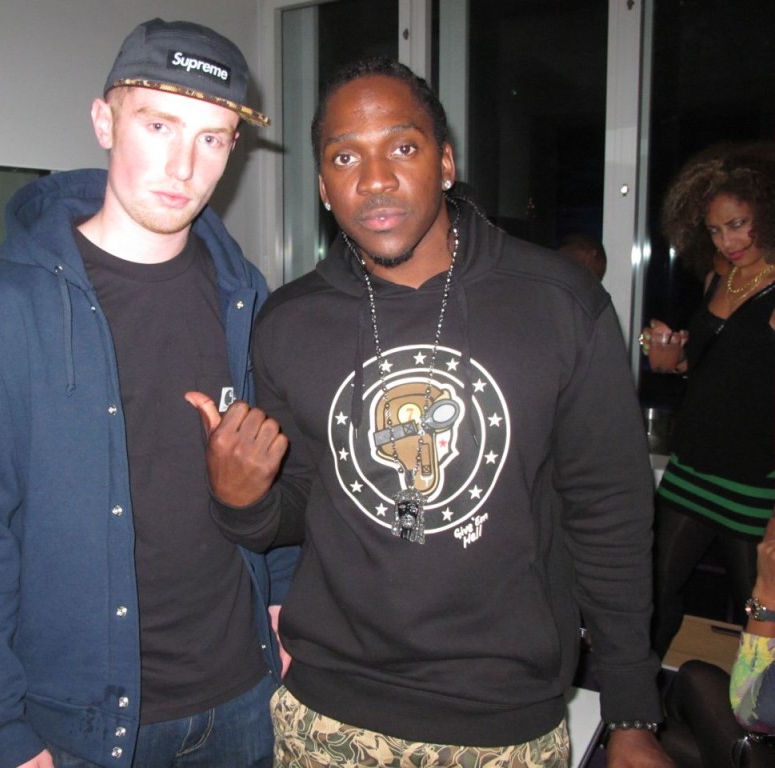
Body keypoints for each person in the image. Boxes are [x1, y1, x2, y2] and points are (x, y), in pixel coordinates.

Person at [188, 57, 672, 767]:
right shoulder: (290, 321)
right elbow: (302, 507)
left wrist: (631, 713)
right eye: (345, 157)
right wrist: (241, 501)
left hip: (504, 721)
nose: (375, 179)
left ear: (445, 163)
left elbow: (611, 515)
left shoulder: (559, 303)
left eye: (403, 147)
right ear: (322, 186)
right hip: (328, 716)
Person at [0, 19, 294, 768]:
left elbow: (275, 464)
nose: (183, 165)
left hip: (245, 693)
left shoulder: (243, 293)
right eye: (158, 125)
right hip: (89, 726)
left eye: (212, 138)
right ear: (105, 122)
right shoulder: (9, 307)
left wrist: (284, 605)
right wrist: (0, 728)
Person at [640, 142, 775, 660]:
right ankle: (637, 695)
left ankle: (756, 707)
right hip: (691, 467)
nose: (727, 241)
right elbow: (715, 370)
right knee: (654, 593)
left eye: (738, 224)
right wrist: (672, 360)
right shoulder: (720, 274)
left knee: (758, 612)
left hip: (749, 481)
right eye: (716, 229)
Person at [658, 511, 775, 768]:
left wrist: (766, 596)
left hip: (760, 716)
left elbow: (754, 712)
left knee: (663, 738)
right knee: (692, 677)